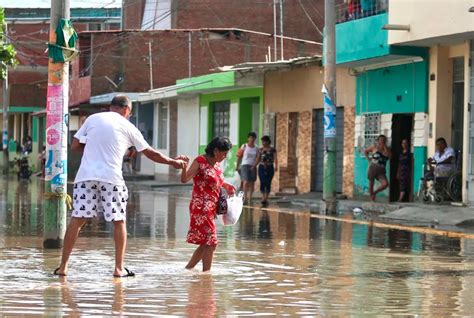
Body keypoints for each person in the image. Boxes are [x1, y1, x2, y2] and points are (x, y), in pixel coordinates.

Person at [53, 95, 187, 278]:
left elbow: (75, 145)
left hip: (85, 177)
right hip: (111, 179)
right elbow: (150, 153)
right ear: (126, 110)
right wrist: (173, 162)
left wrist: (94, 147)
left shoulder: (92, 119)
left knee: (77, 220)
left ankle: (63, 267)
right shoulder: (128, 126)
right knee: (118, 221)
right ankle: (118, 268)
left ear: (111, 107)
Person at [180, 137, 235, 272]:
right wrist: (184, 167)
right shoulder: (200, 161)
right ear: (215, 150)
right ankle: (206, 275)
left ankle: (188, 269)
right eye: (224, 153)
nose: (225, 156)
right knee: (211, 243)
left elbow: (216, 181)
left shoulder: (216, 163)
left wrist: (226, 185)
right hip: (200, 207)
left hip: (211, 208)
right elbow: (184, 179)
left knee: (206, 243)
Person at [364, 135, 391, 201]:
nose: (382, 141)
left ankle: (374, 193)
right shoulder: (374, 148)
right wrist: (369, 160)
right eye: (380, 140)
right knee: (371, 182)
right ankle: (371, 197)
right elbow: (366, 151)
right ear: (378, 141)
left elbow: (390, 157)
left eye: (383, 140)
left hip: (381, 170)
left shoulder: (387, 149)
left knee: (385, 184)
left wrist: (385, 148)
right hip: (373, 167)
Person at [236, 132, 259, 203]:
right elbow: (239, 156)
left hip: (253, 166)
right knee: (245, 182)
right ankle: (245, 197)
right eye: (250, 137)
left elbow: (258, 157)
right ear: (248, 138)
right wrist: (237, 166)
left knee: (252, 182)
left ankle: (250, 198)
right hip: (244, 165)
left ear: (255, 139)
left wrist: (254, 165)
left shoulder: (256, 147)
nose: (252, 139)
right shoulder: (244, 146)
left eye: (253, 138)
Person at [255, 135, 278, 206]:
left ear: (268, 141)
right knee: (263, 182)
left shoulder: (272, 150)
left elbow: (275, 158)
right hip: (261, 167)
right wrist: (254, 166)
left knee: (268, 182)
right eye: (262, 141)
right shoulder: (260, 149)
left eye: (264, 141)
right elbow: (258, 159)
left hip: (270, 167)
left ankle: (266, 198)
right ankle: (263, 197)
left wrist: (276, 166)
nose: (263, 143)